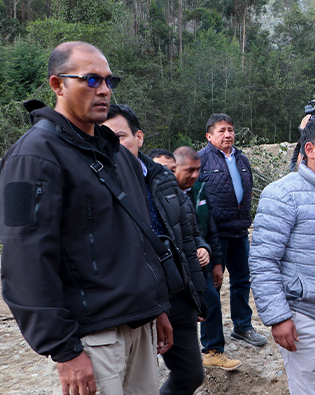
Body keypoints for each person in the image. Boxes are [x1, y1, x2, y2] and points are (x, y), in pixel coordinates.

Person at [0, 41, 172, 395]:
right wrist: (64, 350)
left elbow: (137, 239)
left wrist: (155, 308)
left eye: (109, 81)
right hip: (92, 338)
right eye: (91, 80)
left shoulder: (118, 155)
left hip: (140, 327)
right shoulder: (33, 157)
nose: (105, 90)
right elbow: (24, 259)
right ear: (57, 85)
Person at [103, 104, 207, 395]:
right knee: (132, 382)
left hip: (174, 295)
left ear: (139, 137)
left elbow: (185, 235)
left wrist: (196, 293)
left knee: (190, 374)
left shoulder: (162, 178)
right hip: (131, 303)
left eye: (119, 135)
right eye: (103, 136)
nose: (112, 143)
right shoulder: (98, 182)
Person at [250, 118, 315, 395]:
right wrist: (279, 317)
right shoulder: (283, 194)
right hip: (305, 315)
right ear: (310, 149)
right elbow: (263, 260)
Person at [198, 113, 267, 346]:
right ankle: (212, 341)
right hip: (214, 235)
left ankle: (243, 327)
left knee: (242, 280)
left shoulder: (242, 158)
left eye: (230, 130)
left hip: (240, 232)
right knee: (212, 286)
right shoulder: (201, 160)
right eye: (221, 131)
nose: (228, 134)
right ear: (209, 136)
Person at [171, 146, 243, 371]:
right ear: (175, 169)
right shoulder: (164, 195)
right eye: (189, 170)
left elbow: (211, 230)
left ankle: (212, 350)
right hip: (175, 266)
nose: (194, 175)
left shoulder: (200, 191)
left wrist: (217, 262)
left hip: (202, 263)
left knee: (210, 299)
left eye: (198, 170)